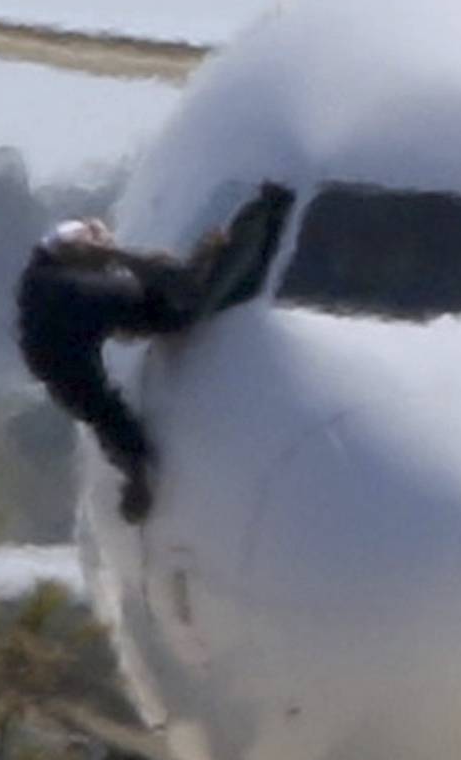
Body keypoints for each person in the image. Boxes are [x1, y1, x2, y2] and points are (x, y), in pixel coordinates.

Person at [15, 185, 289, 523]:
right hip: (70, 296)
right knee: (177, 306)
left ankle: (244, 234)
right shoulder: (74, 298)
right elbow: (104, 408)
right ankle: (253, 228)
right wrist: (111, 252)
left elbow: (104, 411)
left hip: (58, 305)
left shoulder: (53, 347)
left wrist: (136, 470)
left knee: (173, 308)